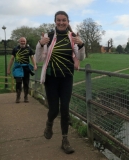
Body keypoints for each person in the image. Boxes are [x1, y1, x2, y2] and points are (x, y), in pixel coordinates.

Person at [35, 11, 85, 154]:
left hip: (66, 78)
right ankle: (49, 122)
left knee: (65, 109)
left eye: (64, 20)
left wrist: (81, 44)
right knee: (54, 110)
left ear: (68, 22)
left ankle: (65, 140)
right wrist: (39, 44)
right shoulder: (48, 37)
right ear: (55, 21)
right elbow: (38, 59)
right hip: (51, 78)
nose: (61, 22)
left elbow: (80, 57)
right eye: (58, 20)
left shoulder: (72, 37)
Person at [7, 37, 37, 103]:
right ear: (19, 42)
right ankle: (18, 97)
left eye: (24, 41)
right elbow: (12, 59)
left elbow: (32, 58)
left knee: (26, 83)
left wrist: (35, 65)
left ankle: (26, 97)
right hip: (18, 68)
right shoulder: (15, 49)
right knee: (18, 82)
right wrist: (8, 69)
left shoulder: (29, 49)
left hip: (26, 68)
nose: (23, 42)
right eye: (21, 41)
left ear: (26, 42)